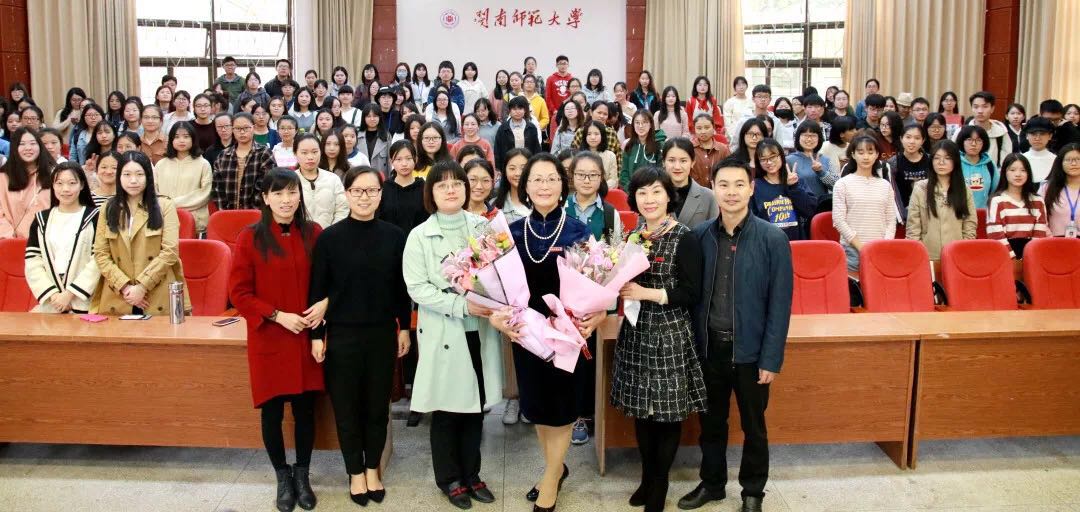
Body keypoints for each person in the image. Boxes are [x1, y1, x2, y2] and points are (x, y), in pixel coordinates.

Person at [680, 156, 792, 512]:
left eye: (739, 184)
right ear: (713, 188)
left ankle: (753, 491)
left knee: (754, 427)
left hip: (751, 353)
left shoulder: (773, 239)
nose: (731, 192)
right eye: (724, 185)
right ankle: (712, 484)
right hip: (709, 349)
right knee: (711, 424)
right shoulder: (699, 236)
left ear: (751, 188)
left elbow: (780, 305)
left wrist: (771, 358)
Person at [491, 153, 600, 512]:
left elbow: (594, 284)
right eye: (536, 179)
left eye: (551, 178)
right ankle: (557, 468)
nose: (544, 185)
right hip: (527, 335)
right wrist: (499, 317)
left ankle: (551, 478)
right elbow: (497, 288)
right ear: (524, 186)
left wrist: (594, 314)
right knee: (537, 407)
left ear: (562, 185)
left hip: (567, 334)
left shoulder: (578, 231)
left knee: (563, 409)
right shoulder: (511, 233)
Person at [402, 160, 504, 509]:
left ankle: (472, 474)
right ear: (430, 193)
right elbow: (417, 288)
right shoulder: (419, 235)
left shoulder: (482, 227)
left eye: (457, 184)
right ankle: (449, 478)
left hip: (480, 329)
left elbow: (500, 272)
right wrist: (462, 306)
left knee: (475, 407)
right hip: (446, 329)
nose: (451, 190)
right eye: (442, 185)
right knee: (447, 409)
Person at [308, 164, 410, 505]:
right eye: (357, 191)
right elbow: (318, 290)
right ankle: (354, 472)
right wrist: (316, 335)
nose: (364, 197)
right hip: (342, 336)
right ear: (347, 194)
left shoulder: (395, 236)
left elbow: (401, 289)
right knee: (347, 408)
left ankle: (371, 469)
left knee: (377, 407)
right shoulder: (329, 238)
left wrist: (404, 327)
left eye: (371, 191)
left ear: (381, 195)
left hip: (381, 334)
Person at [229, 168, 323, 512]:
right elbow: (239, 293)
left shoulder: (313, 233)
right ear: (266, 198)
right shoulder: (250, 237)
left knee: (305, 410)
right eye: (278, 193)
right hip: (269, 336)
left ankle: (303, 475)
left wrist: (323, 306)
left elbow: (327, 280)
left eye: (292, 192)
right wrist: (277, 315)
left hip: (306, 337)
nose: (286, 200)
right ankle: (282, 476)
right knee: (271, 412)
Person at [613, 165, 705, 511]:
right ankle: (646, 477)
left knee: (666, 413)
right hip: (636, 333)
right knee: (642, 410)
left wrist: (646, 293)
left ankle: (659, 484)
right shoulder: (633, 236)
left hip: (669, 334)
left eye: (656, 191)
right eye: (642, 193)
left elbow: (691, 293)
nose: (649, 199)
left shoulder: (685, 237)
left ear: (669, 196)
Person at [92, 151, 189, 315]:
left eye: (139, 174)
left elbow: (170, 251)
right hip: (118, 293)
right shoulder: (108, 207)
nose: (133, 180)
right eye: (127, 174)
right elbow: (101, 253)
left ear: (148, 177)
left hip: (157, 291)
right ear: (119, 177)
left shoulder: (165, 205)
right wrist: (125, 287)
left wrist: (142, 287)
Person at [25, 161, 100, 313]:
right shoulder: (41, 219)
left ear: (82, 185)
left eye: (72, 183)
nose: (65, 189)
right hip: (51, 303)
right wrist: (53, 295)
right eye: (59, 183)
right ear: (53, 186)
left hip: (84, 303)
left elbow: (99, 259)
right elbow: (33, 260)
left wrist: (69, 294)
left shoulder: (95, 217)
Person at [832, 135, 896, 272]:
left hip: (880, 250)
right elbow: (838, 220)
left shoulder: (885, 185)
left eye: (870, 152)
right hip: (852, 251)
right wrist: (862, 248)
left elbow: (891, 220)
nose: (866, 157)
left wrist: (884, 245)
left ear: (877, 154)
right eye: (861, 152)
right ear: (853, 154)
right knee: (853, 285)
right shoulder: (842, 184)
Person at [906, 140, 977, 260]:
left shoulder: (964, 190)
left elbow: (970, 224)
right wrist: (918, 254)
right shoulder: (921, 188)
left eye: (947, 158)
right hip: (927, 256)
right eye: (936, 158)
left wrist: (964, 249)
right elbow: (913, 228)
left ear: (955, 161)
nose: (941, 162)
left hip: (957, 255)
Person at [153, 122, 212, 233]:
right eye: (177, 137)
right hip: (165, 219)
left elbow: (205, 193)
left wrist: (172, 203)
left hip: (194, 222)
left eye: (186, 136)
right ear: (171, 140)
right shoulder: (161, 164)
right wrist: (165, 206)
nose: (181, 140)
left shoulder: (203, 164)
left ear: (193, 139)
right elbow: (154, 190)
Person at [752, 138, 816, 240]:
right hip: (767, 243)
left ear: (781, 156)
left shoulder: (796, 180)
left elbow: (810, 211)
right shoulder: (755, 186)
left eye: (773, 157)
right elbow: (751, 219)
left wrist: (794, 187)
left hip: (796, 242)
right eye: (763, 159)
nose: (769, 162)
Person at [988, 153, 1049, 258]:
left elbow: (1040, 234)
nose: (1018, 174)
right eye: (1012, 170)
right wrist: (1012, 258)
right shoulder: (997, 201)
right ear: (1004, 173)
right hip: (1004, 256)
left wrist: (1029, 257)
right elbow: (995, 234)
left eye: (1023, 170)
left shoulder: (1038, 201)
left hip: (1032, 256)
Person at [212, 113, 275, 211]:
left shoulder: (264, 153)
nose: (242, 132)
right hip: (228, 213)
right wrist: (226, 211)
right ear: (232, 130)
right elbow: (217, 188)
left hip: (257, 213)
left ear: (253, 128)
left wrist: (252, 211)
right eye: (238, 128)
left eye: (246, 128)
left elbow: (266, 185)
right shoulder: (223, 156)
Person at [0, 128, 54, 239]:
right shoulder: (3, 177)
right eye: (22, 144)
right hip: (12, 242)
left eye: (33, 143)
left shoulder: (54, 174)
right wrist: (10, 238)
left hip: (47, 241)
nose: (28, 148)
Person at [291, 133, 347, 229]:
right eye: (304, 153)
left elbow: (343, 209)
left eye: (315, 152)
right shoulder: (290, 181)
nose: (310, 157)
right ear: (295, 153)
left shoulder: (333, 179)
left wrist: (332, 232)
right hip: (299, 234)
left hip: (331, 234)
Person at [664, 137, 717, 229]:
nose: (677, 167)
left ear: (692, 162)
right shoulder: (653, 195)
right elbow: (642, 232)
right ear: (663, 162)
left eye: (683, 161)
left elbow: (715, 233)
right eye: (671, 160)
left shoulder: (708, 196)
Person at [378, 139, 429, 235]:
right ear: (391, 161)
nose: (404, 164)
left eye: (408, 158)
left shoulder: (425, 187)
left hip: (419, 240)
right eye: (398, 159)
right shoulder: (384, 188)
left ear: (415, 159)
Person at [787, 120, 836, 215]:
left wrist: (821, 172)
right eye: (805, 135)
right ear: (798, 137)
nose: (809, 139)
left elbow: (836, 186)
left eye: (813, 136)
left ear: (819, 138)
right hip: (798, 210)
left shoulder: (825, 159)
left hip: (821, 210)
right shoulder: (789, 160)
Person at [888, 124, 931, 221]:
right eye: (908, 137)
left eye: (917, 138)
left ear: (923, 140)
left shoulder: (931, 160)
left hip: (927, 213)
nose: (912, 141)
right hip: (902, 216)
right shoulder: (893, 162)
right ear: (901, 139)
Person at [1038, 144, 1080, 237]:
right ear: (1060, 163)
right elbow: (1038, 216)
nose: (1074, 163)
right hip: (1053, 240)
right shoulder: (1046, 188)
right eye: (1068, 160)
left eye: (1078, 159)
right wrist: (1050, 238)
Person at [961, 91, 1012, 166]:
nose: (980, 111)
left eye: (985, 107)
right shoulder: (961, 132)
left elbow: (1006, 162)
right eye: (976, 107)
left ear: (992, 109)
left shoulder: (1001, 133)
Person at [494, 96, 542, 173]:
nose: (517, 112)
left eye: (520, 108)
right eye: (514, 109)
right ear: (509, 111)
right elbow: (497, 150)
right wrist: (498, 168)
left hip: (528, 166)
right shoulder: (503, 128)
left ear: (525, 110)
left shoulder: (531, 127)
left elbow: (536, 149)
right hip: (508, 166)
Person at [957, 125, 999, 209]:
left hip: (984, 212)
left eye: (978, 140)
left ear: (984, 143)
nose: (973, 144)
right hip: (960, 213)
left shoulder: (990, 165)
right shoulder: (955, 163)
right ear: (962, 141)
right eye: (969, 139)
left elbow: (996, 191)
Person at [622, 111, 667, 189]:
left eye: (644, 122)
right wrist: (632, 190)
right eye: (637, 123)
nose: (640, 126)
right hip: (632, 191)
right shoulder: (629, 146)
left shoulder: (659, 145)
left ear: (651, 124)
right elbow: (624, 174)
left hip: (653, 190)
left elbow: (662, 172)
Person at [690, 114, 732, 188]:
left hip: (718, 190)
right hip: (694, 191)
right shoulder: (689, 148)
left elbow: (730, 170)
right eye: (699, 128)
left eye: (707, 127)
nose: (703, 131)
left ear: (713, 128)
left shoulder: (723, 149)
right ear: (694, 129)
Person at [685, 76, 726, 145]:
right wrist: (694, 131)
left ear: (708, 87)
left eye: (705, 85)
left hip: (710, 130)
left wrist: (714, 130)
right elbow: (688, 118)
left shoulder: (713, 100)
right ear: (695, 87)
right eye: (700, 85)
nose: (702, 87)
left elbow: (716, 117)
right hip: (695, 132)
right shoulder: (690, 101)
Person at [1021, 116, 1057, 185]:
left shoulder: (1056, 160)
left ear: (1050, 136)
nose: (1037, 138)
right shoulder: (1020, 159)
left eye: (1042, 134)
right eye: (1033, 134)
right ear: (1027, 135)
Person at [821, 116, 856, 184]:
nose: (855, 132)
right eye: (851, 130)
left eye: (855, 129)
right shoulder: (825, 147)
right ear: (841, 134)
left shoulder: (852, 146)